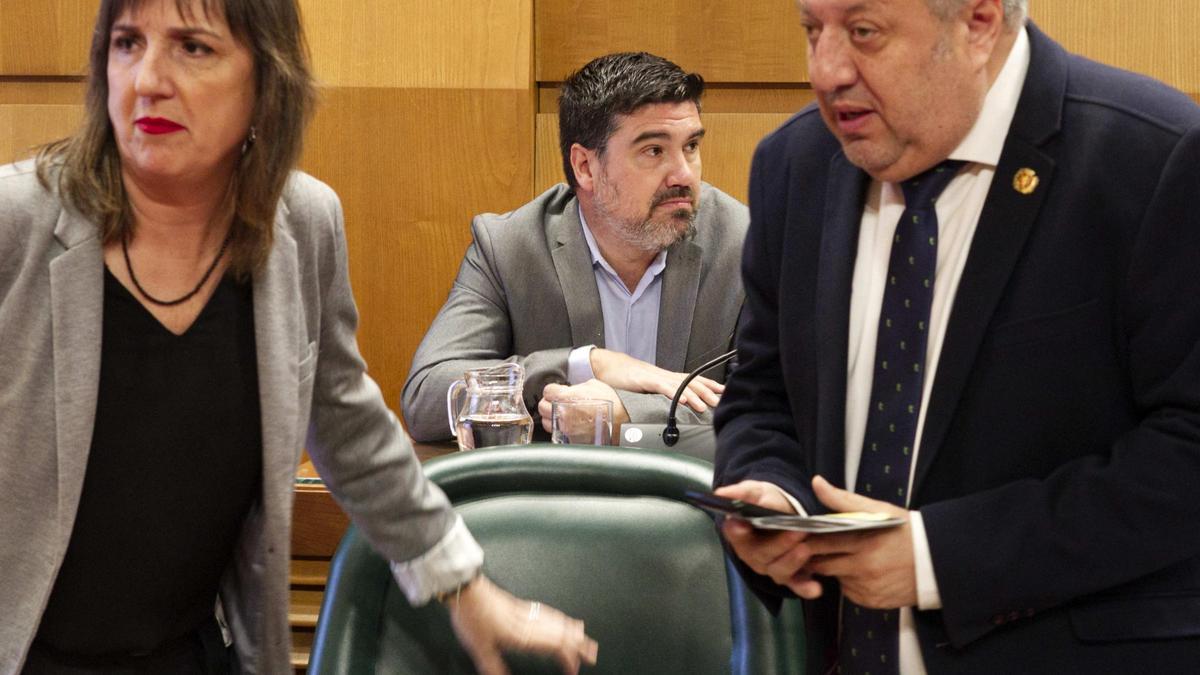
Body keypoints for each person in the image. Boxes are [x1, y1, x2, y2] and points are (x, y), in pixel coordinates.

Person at [0, 0, 597, 672]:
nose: (147, 79)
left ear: (266, 77)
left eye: (192, 48)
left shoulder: (302, 223)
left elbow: (345, 419)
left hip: (195, 651)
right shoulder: (16, 220)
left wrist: (465, 585)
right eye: (127, 43)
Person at [713, 0, 1200, 672]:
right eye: (811, 31)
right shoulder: (793, 165)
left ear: (978, 22)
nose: (826, 71)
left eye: (863, 33)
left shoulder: (1157, 158)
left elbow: (1188, 449)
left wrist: (938, 557)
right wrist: (776, 494)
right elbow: (762, 394)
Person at [402, 52, 748, 443]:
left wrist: (622, 416)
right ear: (585, 166)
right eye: (654, 151)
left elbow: (779, 412)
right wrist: (585, 364)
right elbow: (427, 398)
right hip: (553, 499)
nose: (684, 174)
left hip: (693, 498)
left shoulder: (744, 244)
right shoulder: (510, 248)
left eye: (690, 147)